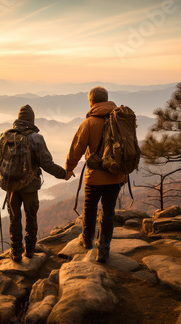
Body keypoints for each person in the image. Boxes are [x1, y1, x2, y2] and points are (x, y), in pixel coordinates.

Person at [0, 105, 70, 262]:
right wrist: (64, 174)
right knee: (31, 218)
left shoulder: (4, 138)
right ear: (31, 120)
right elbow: (47, 164)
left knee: (14, 219)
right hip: (30, 187)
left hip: (10, 187)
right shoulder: (36, 139)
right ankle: (30, 251)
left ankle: (16, 253)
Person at [65, 86, 126, 263]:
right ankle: (104, 249)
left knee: (90, 207)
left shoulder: (89, 123)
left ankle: (87, 240)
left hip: (95, 176)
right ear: (106, 99)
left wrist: (69, 168)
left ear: (91, 102)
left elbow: (77, 148)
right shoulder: (120, 120)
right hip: (116, 175)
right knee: (108, 211)